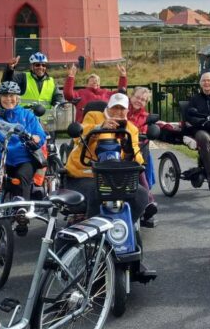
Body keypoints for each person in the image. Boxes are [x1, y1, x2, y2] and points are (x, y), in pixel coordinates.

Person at [64, 93, 153, 223]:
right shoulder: (93, 116)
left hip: (116, 177)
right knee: (99, 191)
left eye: (122, 109)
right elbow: (79, 136)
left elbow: (138, 160)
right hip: (85, 175)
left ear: (127, 110)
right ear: (108, 107)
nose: (118, 111)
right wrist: (99, 127)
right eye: (115, 107)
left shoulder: (130, 129)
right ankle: (93, 231)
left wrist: (129, 150)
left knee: (141, 195)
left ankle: (122, 228)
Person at [0, 81, 48, 236]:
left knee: (23, 174)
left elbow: (40, 135)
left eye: (12, 96)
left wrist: (36, 138)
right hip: (0, 157)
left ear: (17, 97)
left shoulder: (27, 115)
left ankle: (21, 210)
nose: (9, 99)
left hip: (23, 157)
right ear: (0, 97)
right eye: (5, 96)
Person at [128, 86, 159, 226]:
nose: (139, 101)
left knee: (138, 162)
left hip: (136, 151)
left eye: (143, 100)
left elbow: (145, 135)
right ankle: (148, 200)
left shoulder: (146, 117)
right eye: (138, 97)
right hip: (119, 148)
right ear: (131, 96)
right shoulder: (121, 109)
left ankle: (146, 201)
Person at [63, 62, 129, 122]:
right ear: (86, 84)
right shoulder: (80, 93)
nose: (94, 82)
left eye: (97, 80)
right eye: (91, 80)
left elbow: (120, 94)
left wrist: (123, 77)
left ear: (99, 85)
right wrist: (71, 77)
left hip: (106, 124)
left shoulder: (106, 92)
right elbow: (68, 95)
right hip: (85, 124)